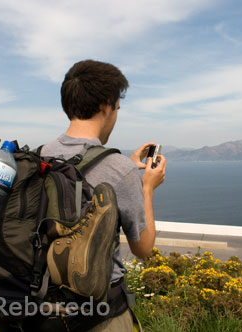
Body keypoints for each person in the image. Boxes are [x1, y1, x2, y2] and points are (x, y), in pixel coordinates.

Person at [41, 59, 166, 331]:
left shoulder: (39, 156)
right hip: (100, 314)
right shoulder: (119, 169)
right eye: (117, 108)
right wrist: (146, 187)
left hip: (43, 309)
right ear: (106, 106)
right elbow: (143, 249)